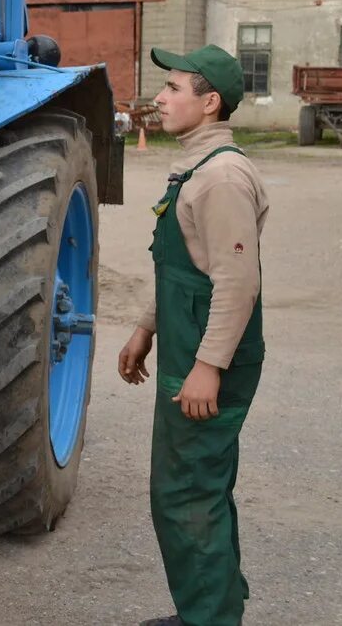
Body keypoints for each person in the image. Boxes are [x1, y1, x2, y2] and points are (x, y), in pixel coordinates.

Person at [119, 45, 270, 626]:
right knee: (197, 489)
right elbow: (184, 269)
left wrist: (209, 366)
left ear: (210, 103)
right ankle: (211, 612)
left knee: (188, 497)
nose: (159, 98)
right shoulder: (197, 170)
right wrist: (145, 328)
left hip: (209, 359)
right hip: (189, 349)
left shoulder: (223, 178)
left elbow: (236, 282)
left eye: (175, 88)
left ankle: (209, 619)